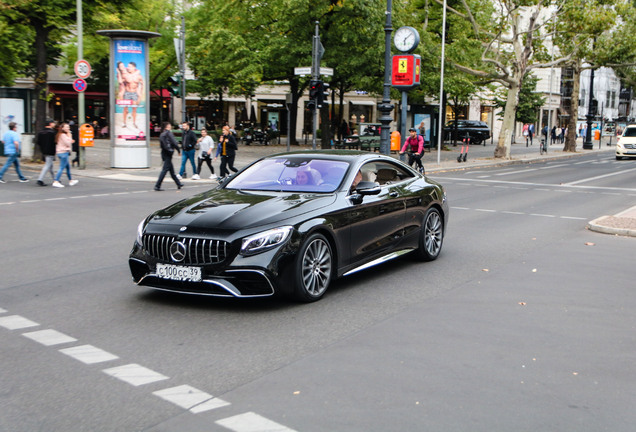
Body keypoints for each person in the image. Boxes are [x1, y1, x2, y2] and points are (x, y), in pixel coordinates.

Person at [154, 122, 183, 191]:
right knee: (165, 170)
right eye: (169, 125)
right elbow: (174, 142)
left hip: (164, 153)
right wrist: (178, 150)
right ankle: (157, 185)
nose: (170, 126)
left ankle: (178, 183)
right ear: (167, 126)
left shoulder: (162, 134)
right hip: (168, 153)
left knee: (171, 170)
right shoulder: (169, 133)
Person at [52, 122, 78, 188]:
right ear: (62, 128)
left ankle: (71, 180)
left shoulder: (60, 134)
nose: (68, 128)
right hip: (63, 152)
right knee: (62, 167)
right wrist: (70, 137)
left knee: (67, 167)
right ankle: (56, 181)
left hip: (62, 152)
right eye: (66, 127)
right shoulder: (63, 135)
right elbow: (68, 143)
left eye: (68, 127)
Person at [121, 61, 143, 129]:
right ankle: (124, 123)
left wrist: (140, 93)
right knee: (125, 108)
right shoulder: (125, 75)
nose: (128, 68)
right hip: (127, 92)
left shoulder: (139, 76)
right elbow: (121, 84)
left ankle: (134, 122)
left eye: (130, 66)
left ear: (134, 67)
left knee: (134, 108)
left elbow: (142, 84)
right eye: (128, 66)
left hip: (134, 93)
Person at [36, 119, 57, 186]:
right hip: (51, 150)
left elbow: (38, 142)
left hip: (44, 150)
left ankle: (55, 179)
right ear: (50, 124)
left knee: (50, 166)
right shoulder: (52, 133)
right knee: (48, 165)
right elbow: (55, 142)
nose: (54, 125)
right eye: (53, 123)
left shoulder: (41, 132)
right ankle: (40, 179)